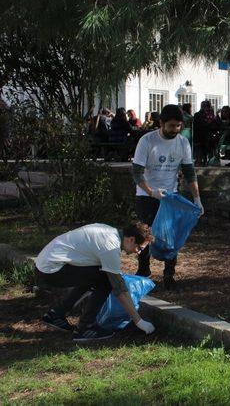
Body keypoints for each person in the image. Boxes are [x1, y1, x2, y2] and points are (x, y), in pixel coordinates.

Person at [36, 221, 156, 341]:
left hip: (44, 265)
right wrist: (139, 321)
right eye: (139, 248)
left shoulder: (109, 231)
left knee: (96, 276)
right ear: (131, 239)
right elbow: (119, 289)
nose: (138, 252)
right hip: (52, 270)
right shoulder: (110, 246)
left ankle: (56, 314)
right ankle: (85, 328)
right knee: (105, 280)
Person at [131, 104, 204, 290]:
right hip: (147, 196)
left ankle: (169, 275)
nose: (175, 130)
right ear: (161, 123)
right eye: (171, 126)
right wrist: (150, 192)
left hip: (171, 196)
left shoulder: (182, 143)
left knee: (172, 235)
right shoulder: (147, 141)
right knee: (145, 234)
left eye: (179, 126)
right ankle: (143, 271)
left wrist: (197, 199)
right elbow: (137, 173)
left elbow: (189, 173)